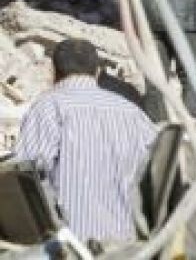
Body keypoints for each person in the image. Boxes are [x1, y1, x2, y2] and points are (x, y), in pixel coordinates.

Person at [16, 39, 156, 244]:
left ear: (54, 72)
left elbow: (25, 175)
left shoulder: (48, 106)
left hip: (73, 245)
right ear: (97, 72)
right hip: (131, 245)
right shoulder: (132, 112)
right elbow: (158, 170)